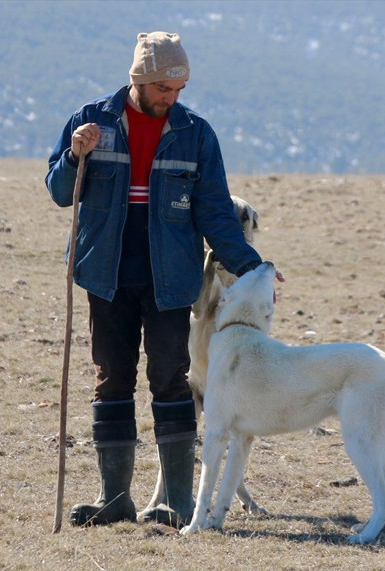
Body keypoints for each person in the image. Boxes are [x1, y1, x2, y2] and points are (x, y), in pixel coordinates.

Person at [45, 31, 263, 529]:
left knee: (170, 379)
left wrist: (252, 268)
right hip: (106, 274)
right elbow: (59, 192)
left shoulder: (196, 133)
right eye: (164, 88)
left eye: (179, 89)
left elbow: (215, 212)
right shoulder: (90, 121)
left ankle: (179, 503)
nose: (171, 98)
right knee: (111, 379)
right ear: (139, 79)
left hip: (171, 280)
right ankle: (114, 499)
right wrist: (74, 156)